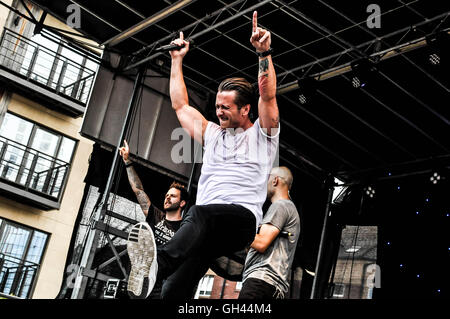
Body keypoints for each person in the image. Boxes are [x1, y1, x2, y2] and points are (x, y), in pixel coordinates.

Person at [127, 10, 280, 299]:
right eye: (217, 106)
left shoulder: (262, 135)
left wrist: (264, 54)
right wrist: (176, 61)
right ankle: (159, 275)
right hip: (205, 228)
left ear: (245, 109)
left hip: (240, 221)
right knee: (174, 288)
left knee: (197, 214)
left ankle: (157, 262)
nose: (218, 111)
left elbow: (268, 96)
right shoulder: (212, 133)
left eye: (226, 107)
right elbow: (180, 105)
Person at [119, 139, 194, 299]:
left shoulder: (185, 228)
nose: (167, 198)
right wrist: (127, 162)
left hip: (163, 282)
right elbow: (138, 190)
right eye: (167, 195)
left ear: (182, 203)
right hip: (144, 275)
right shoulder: (155, 215)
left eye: (172, 196)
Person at [238, 166, 300, 299]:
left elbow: (261, 243)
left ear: (275, 181)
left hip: (260, 282)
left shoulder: (281, 206)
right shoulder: (287, 207)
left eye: (266, 179)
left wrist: (233, 229)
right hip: (268, 285)